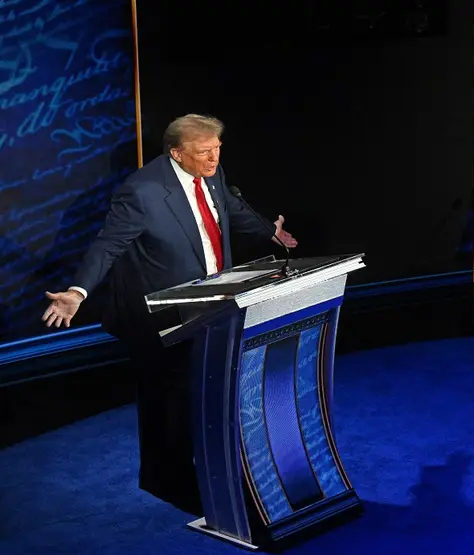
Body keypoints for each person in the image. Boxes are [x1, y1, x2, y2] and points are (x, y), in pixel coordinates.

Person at [41, 114, 298, 515]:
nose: (213, 159)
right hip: (159, 315)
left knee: (202, 391)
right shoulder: (141, 191)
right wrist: (77, 292)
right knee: (168, 400)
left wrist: (270, 232)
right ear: (177, 153)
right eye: (203, 153)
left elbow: (230, 207)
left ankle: (202, 469)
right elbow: (107, 245)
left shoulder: (210, 171)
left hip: (213, 303)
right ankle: (165, 480)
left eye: (217, 149)